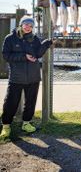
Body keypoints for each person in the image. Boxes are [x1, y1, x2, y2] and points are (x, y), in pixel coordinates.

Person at [0, 15, 53, 143]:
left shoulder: (35, 39)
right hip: (16, 78)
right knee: (11, 102)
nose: (28, 27)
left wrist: (46, 44)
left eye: (30, 25)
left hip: (34, 77)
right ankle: (6, 126)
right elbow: (6, 55)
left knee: (30, 102)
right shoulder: (10, 38)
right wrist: (24, 57)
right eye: (26, 24)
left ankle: (26, 123)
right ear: (21, 24)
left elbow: (38, 53)